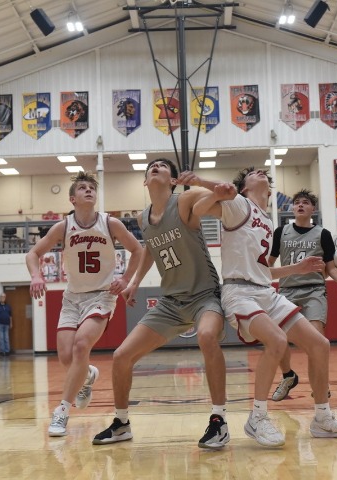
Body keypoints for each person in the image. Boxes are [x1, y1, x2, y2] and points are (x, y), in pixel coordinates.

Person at [193, 167, 337, 447]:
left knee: (320, 344)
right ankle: (257, 417)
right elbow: (201, 209)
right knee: (277, 340)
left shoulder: (268, 220)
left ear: (269, 191)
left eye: (262, 172)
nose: (260, 170)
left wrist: (297, 268)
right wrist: (204, 184)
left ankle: (322, 418)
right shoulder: (240, 204)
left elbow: (264, 272)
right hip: (240, 292)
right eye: (252, 173)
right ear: (244, 187)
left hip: (264, 290)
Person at [92, 159, 229, 449]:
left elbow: (223, 193)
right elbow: (150, 249)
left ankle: (219, 421)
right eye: (151, 166)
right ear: (145, 181)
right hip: (171, 303)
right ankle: (121, 423)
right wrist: (134, 283)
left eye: (162, 166)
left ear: (173, 180)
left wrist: (203, 182)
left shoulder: (184, 201)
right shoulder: (143, 218)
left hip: (204, 295)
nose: (155, 167)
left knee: (206, 336)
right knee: (121, 356)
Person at [27, 171, 143, 437]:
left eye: (92, 187)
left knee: (81, 346)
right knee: (66, 357)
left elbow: (138, 250)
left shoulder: (110, 223)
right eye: (82, 188)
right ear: (72, 199)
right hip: (72, 297)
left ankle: (61, 412)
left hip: (102, 295)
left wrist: (126, 279)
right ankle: (87, 376)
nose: (88, 190)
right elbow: (33, 253)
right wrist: (36, 275)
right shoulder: (63, 226)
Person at [267, 188, 337, 401]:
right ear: (292, 208)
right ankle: (288, 376)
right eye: (297, 202)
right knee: (277, 337)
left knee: (316, 340)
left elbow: (331, 269)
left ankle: (321, 384)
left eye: (305, 202)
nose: (300, 205)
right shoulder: (281, 232)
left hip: (314, 289)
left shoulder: (323, 234)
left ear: (313, 209)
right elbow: (269, 263)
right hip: (286, 290)